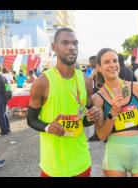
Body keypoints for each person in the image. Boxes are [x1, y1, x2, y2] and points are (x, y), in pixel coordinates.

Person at [27, 27, 101, 177]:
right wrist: (48, 127)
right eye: (65, 43)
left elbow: (84, 121)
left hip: (81, 163)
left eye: (75, 43)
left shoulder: (86, 82)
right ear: (55, 47)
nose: (71, 47)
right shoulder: (42, 82)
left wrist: (93, 116)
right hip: (53, 167)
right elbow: (31, 119)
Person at [92, 48, 138, 177]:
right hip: (114, 159)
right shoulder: (97, 98)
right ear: (99, 67)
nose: (112, 65)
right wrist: (113, 114)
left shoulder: (136, 88)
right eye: (106, 62)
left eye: (115, 61)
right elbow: (102, 135)